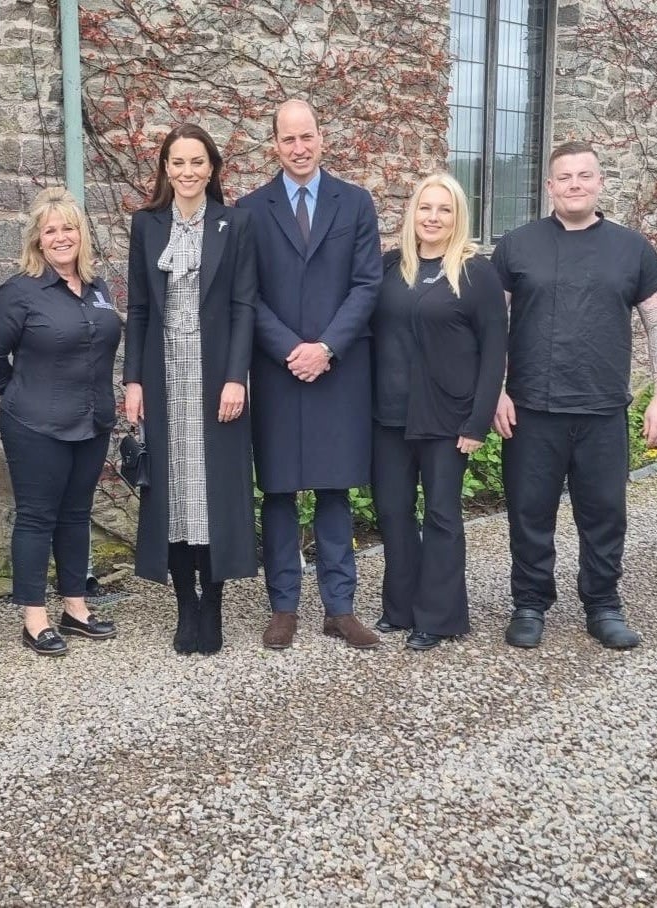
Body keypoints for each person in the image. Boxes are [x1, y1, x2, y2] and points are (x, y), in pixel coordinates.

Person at [491, 140, 657, 651]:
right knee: (530, 513)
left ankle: (603, 605)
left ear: (600, 183)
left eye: (585, 175)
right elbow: (493, 327)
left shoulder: (632, 249)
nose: (575, 184)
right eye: (565, 177)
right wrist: (496, 391)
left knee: (604, 513)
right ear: (549, 186)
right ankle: (529, 604)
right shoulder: (516, 246)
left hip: (601, 409)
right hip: (531, 410)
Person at [237, 99, 383, 650]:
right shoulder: (250, 210)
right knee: (277, 489)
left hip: (337, 368)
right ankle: (284, 605)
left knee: (334, 488)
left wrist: (325, 347)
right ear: (274, 144)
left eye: (307, 137)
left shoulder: (356, 203)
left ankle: (340, 608)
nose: (299, 149)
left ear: (323, 138)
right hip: (277, 371)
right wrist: (289, 350)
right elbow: (245, 294)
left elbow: (367, 284)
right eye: (288, 139)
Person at [123, 124, 259, 656]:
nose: (186, 172)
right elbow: (137, 309)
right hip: (163, 374)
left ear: (212, 167)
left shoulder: (236, 224)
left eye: (196, 162)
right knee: (173, 491)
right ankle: (185, 604)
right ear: (165, 169)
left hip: (215, 376)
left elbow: (244, 305)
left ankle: (214, 602)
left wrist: (236, 376)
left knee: (213, 491)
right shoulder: (146, 225)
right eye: (177, 162)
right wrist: (132, 379)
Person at [0, 188, 122, 657]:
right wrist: (24, 396)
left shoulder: (98, 289)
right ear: (38, 240)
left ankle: (75, 608)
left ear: (82, 235)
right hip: (36, 424)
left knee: (77, 515)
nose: (61, 237)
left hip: (93, 419)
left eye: (69, 228)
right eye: (51, 230)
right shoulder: (20, 291)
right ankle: (34, 618)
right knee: (38, 517)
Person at [370, 173, 507, 650]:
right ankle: (400, 608)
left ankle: (441, 616)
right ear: (412, 214)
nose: (433, 217)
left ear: (457, 217)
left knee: (442, 516)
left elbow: (494, 352)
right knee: (393, 511)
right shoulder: (391, 266)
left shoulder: (475, 272)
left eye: (444, 210)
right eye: (425, 208)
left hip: (447, 419)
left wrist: (478, 421)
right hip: (388, 416)